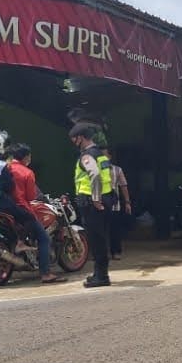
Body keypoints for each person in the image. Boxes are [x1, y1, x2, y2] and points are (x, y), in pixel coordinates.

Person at [9, 143, 65, 284]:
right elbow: (30, 196)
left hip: (4, 208)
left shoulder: (6, 168)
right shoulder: (27, 172)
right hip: (22, 208)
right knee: (44, 239)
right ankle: (46, 274)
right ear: (26, 156)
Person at [70, 123, 115, 288]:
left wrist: (95, 199)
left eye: (74, 139)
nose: (73, 142)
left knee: (97, 239)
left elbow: (95, 177)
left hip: (92, 202)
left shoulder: (87, 156)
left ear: (80, 138)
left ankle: (101, 276)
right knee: (101, 237)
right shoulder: (101, 155)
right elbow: (109, 176)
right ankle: (99, 273)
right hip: (106, 198)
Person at [106, 154, 131, 260]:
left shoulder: (117, 170)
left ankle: (116, 251)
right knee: (99, 231)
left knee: (114, 230)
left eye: (105, 155)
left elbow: (123, 186)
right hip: (98, 205)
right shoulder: (95, 170)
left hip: (114, 205)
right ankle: (100, 254)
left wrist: (127, 202)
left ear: (110, 156)